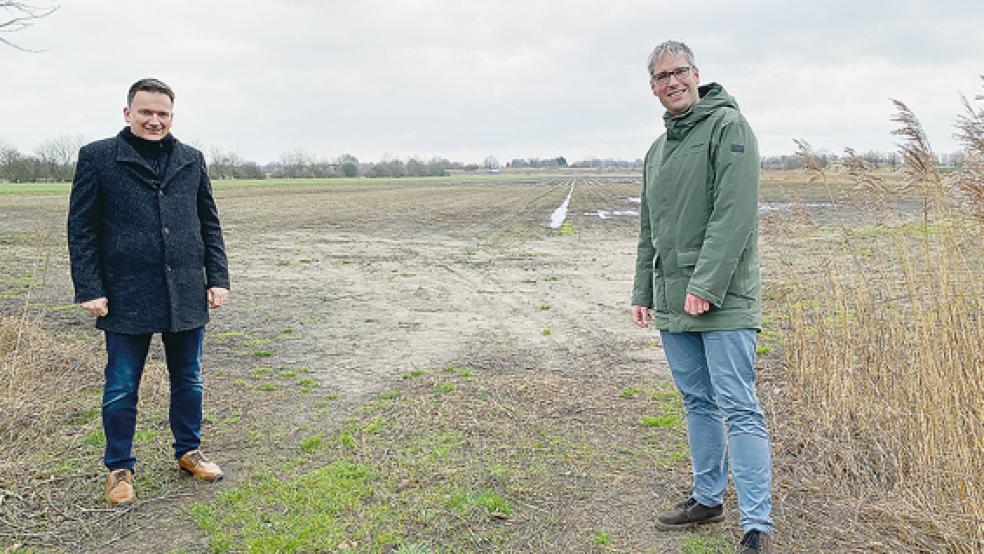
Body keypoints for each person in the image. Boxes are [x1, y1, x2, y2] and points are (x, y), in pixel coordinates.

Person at [630, 41, 773, 553]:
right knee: (697, 401)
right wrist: (644, 290)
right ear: (652, 87)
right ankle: (707, 498)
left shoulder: (729, 128)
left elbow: (734, 216)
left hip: (724, 298)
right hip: (672, 301)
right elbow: (651, 228)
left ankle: (756, 525)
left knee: (739, 406)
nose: (672, 82)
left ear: (697, 73)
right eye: (661, 77)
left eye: (679, 72)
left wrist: (706, 286)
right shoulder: (657, 149)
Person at [68, 78, 230, 505]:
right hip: (124, 293)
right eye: (146, 112)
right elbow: (81, 229)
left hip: (184, 291)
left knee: (189, 378)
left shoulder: (191, 159)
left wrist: (217, 277)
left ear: (171, 117)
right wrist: (90, 287)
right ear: (128, 113)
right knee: (122, 384)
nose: (154, 120)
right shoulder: (98, 158)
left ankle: (188, 451)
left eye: (162, 114)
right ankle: (119, 468)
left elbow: (208, 223)